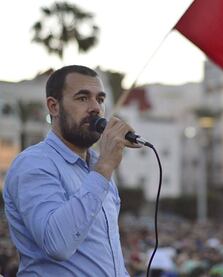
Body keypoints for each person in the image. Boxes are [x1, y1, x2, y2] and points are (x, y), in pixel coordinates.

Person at [3, 65, 140, 276]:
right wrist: (104, 167)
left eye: (100, 99)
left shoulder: (96, 168)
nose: (95, 107)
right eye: (83, 98)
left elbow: (104, 256)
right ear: (54, 107)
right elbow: (57, 244)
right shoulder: (34, 164)